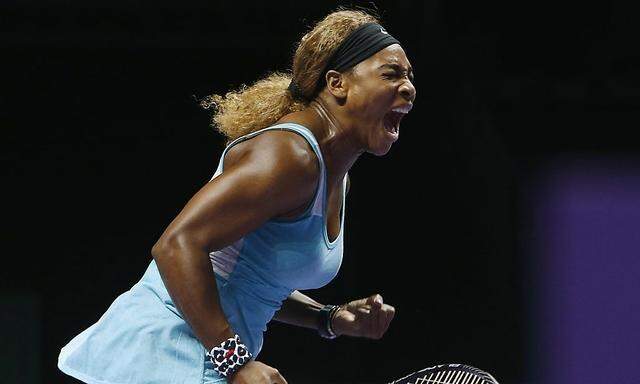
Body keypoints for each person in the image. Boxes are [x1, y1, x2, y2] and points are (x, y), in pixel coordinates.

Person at [58, 8, 415, 384]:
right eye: (390, 74)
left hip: (203, 359)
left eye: (410, 77)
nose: (408, 87)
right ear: (337, 83)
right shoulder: (289, 157)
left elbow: (250, 281)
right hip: (160, 354)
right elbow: (177, 245)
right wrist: (236, 362)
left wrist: (326, 317)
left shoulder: (334, 176)